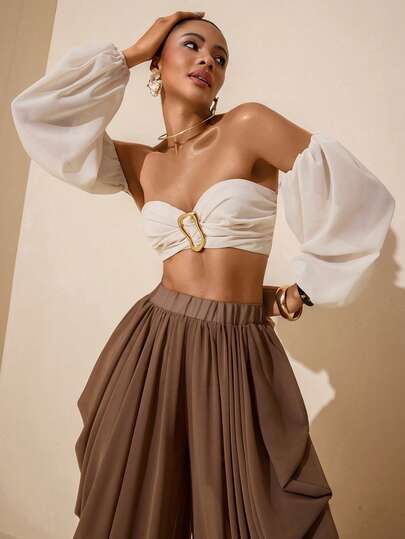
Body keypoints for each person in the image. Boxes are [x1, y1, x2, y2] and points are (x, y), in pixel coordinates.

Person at [10, 10, 395, 539]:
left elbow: (354, 195)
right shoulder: (139, 162)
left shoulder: (248, 126)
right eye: (191, 45)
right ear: (158, 63)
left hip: (237, 346)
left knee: (255, 508)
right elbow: (40, 117)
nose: (207, 60)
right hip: (153, 345)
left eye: (220, 57)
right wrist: (131, 52)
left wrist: (302, 290)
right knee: (140, 504)